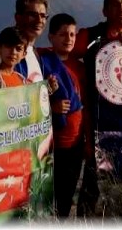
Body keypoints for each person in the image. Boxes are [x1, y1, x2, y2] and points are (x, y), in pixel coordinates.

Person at [75, 0, 122, 217]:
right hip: (95, 117)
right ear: (105, 11)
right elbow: (63, 54)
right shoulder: (90, 35)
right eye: (116, 5)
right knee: (92, 174)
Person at [38, 14, 85, 218]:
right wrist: (51, 105)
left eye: (72, 34)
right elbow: (28, 97)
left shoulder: (80, 67)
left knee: (64, 203)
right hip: (49, 146)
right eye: (63, 34)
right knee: (45, 202)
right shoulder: (41, 62)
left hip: (75, 145)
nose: (69, 39)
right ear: (51, 37)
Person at [0, 0, 49, 88]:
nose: (39, 20)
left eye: (43, 16)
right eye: (32, 15)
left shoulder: (34, 52)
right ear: (18, 17)